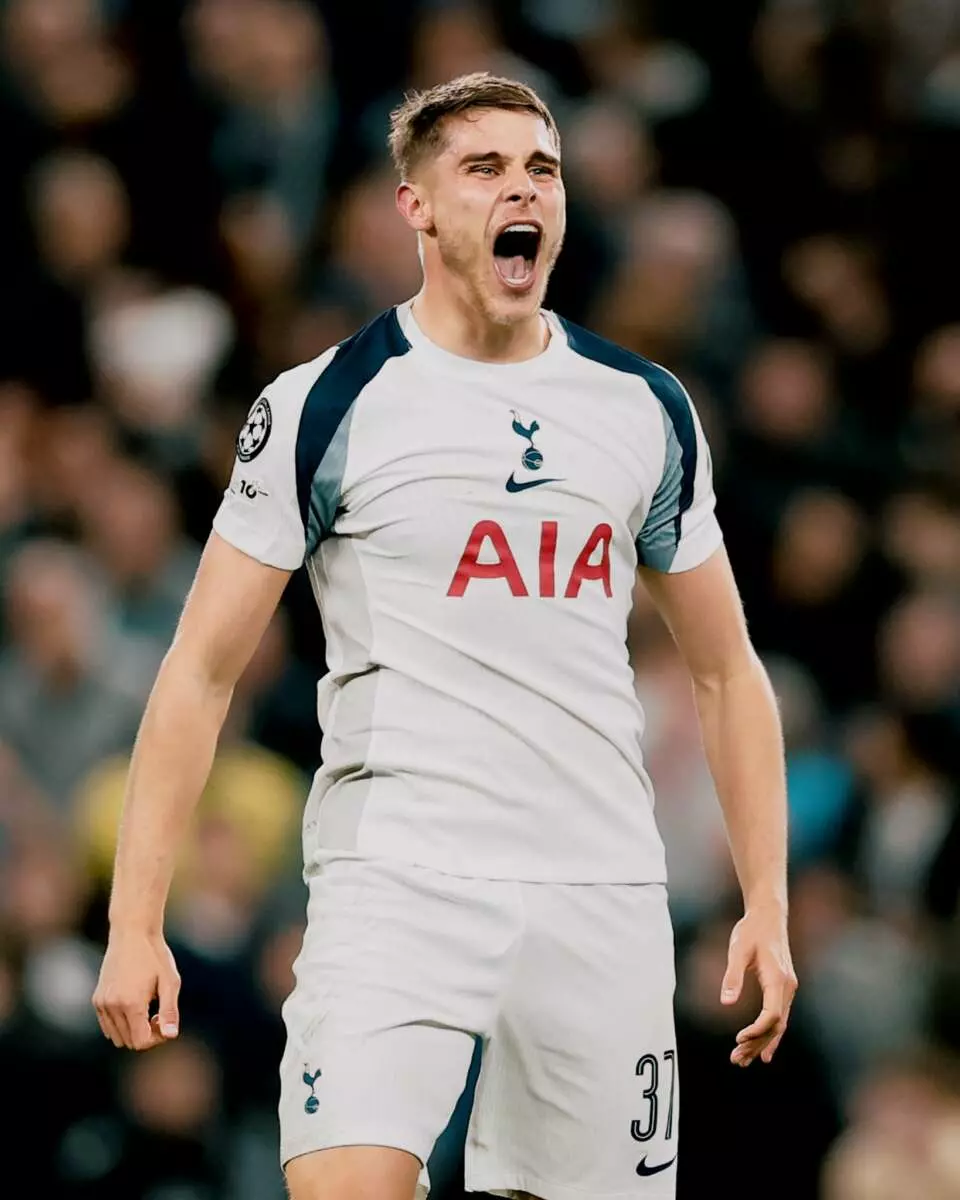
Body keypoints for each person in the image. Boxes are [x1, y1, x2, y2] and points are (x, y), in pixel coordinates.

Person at [93, 72, 797, 1200]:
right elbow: (199, 673)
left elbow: (723, 669)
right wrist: (138, 921)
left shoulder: (644, 408)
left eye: (543, 169)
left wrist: (767, 901)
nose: (524, 189)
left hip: (599, 888)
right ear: (416, 205)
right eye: (485, 168)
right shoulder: (328, 404)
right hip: (398, 876)